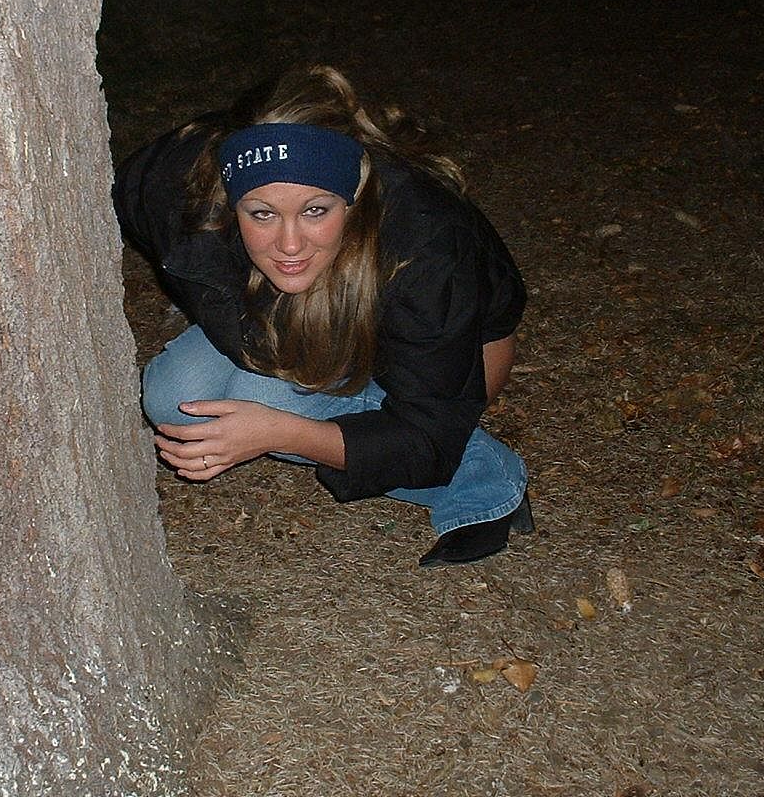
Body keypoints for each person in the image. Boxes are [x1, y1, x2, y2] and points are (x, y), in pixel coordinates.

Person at [112, 65, 532, 567]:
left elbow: (428, 436)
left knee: (261, 398)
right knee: (177, 397)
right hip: (298, 319)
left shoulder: (423, 246)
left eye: (316, 210)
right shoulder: (167, 191)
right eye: (262, 213)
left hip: (457, 356)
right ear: (227, 200)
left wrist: (281, 431)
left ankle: (485, 477)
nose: (289, 244)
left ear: (353, 198)